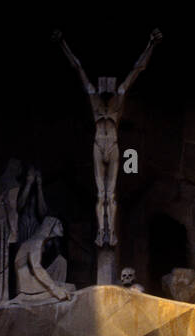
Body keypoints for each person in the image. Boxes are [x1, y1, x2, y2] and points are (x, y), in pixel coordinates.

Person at [54, 29, 162, 247]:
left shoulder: (119, 99)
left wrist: (151, 44)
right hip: (98, 146)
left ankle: (110, 233)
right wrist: (62, 43)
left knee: (110, 195)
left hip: (112, 146)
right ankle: (100, 232)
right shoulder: (94, 98)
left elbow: (137, 70)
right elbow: (78, 68)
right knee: (101, 195)